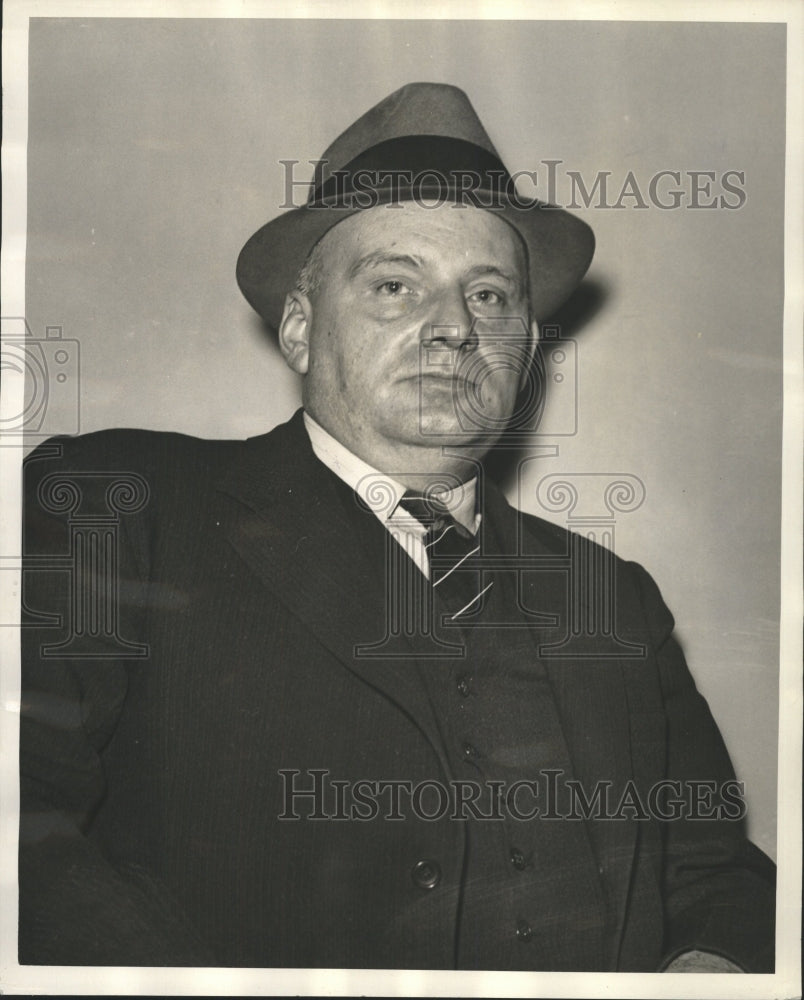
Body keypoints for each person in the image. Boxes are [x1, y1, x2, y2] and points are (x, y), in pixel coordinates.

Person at [19, 82, 775, 971]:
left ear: (526, 348)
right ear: (300, 329)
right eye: (394, 284)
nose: (454, 327)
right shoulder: (121, 503)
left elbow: (713, 871)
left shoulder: (614, 597)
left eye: (491, 297)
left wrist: (708, 967)